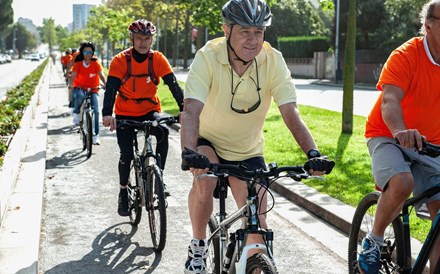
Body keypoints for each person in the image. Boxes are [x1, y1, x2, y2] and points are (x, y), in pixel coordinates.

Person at [179, 0, 335, 273]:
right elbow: (191, 109)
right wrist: (188, 151)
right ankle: (198, 246)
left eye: (259, 32)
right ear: (226, 30)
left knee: (258, 227)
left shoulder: (272, 59)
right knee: (204, 181)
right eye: (245, 32)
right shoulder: (207, 56)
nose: (253, 40)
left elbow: (290, 111)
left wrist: (313, 153)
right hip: (208, 142)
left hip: (248, 149)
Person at [358, 1, 440, 273]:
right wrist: (399, 131)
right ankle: (375, 238)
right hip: (388, 135)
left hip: (432, 145)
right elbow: (390, 100)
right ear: (428, 25)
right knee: (402, 181)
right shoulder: (406, 55)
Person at [102, 19, 184, 217]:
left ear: (152, 40)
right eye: (139, 38)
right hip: (125, 112)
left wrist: (184, 109)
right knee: (126, 155)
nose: (143, 42)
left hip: (150, 109)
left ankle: (158, 178)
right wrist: (107, 114)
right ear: (132, 38)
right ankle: (123, 191)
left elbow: (173, 85)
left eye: (147, 38)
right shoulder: (120, 60)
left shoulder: (157, 59)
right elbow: (111, 89)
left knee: (163, 131)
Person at [68, 41, 106, 145]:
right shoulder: (78, 64)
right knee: (79, 96)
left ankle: (96, 136)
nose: (88, 54)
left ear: (93, 53)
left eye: (90, 52)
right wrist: (71, 85)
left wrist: (106, 83)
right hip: (80, 88)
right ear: (82, 53)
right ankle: (76, 113)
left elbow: (101, 74)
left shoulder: (96, 63)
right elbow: (73, 75)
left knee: (97, 110)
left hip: (93, 89)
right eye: (85, 52)